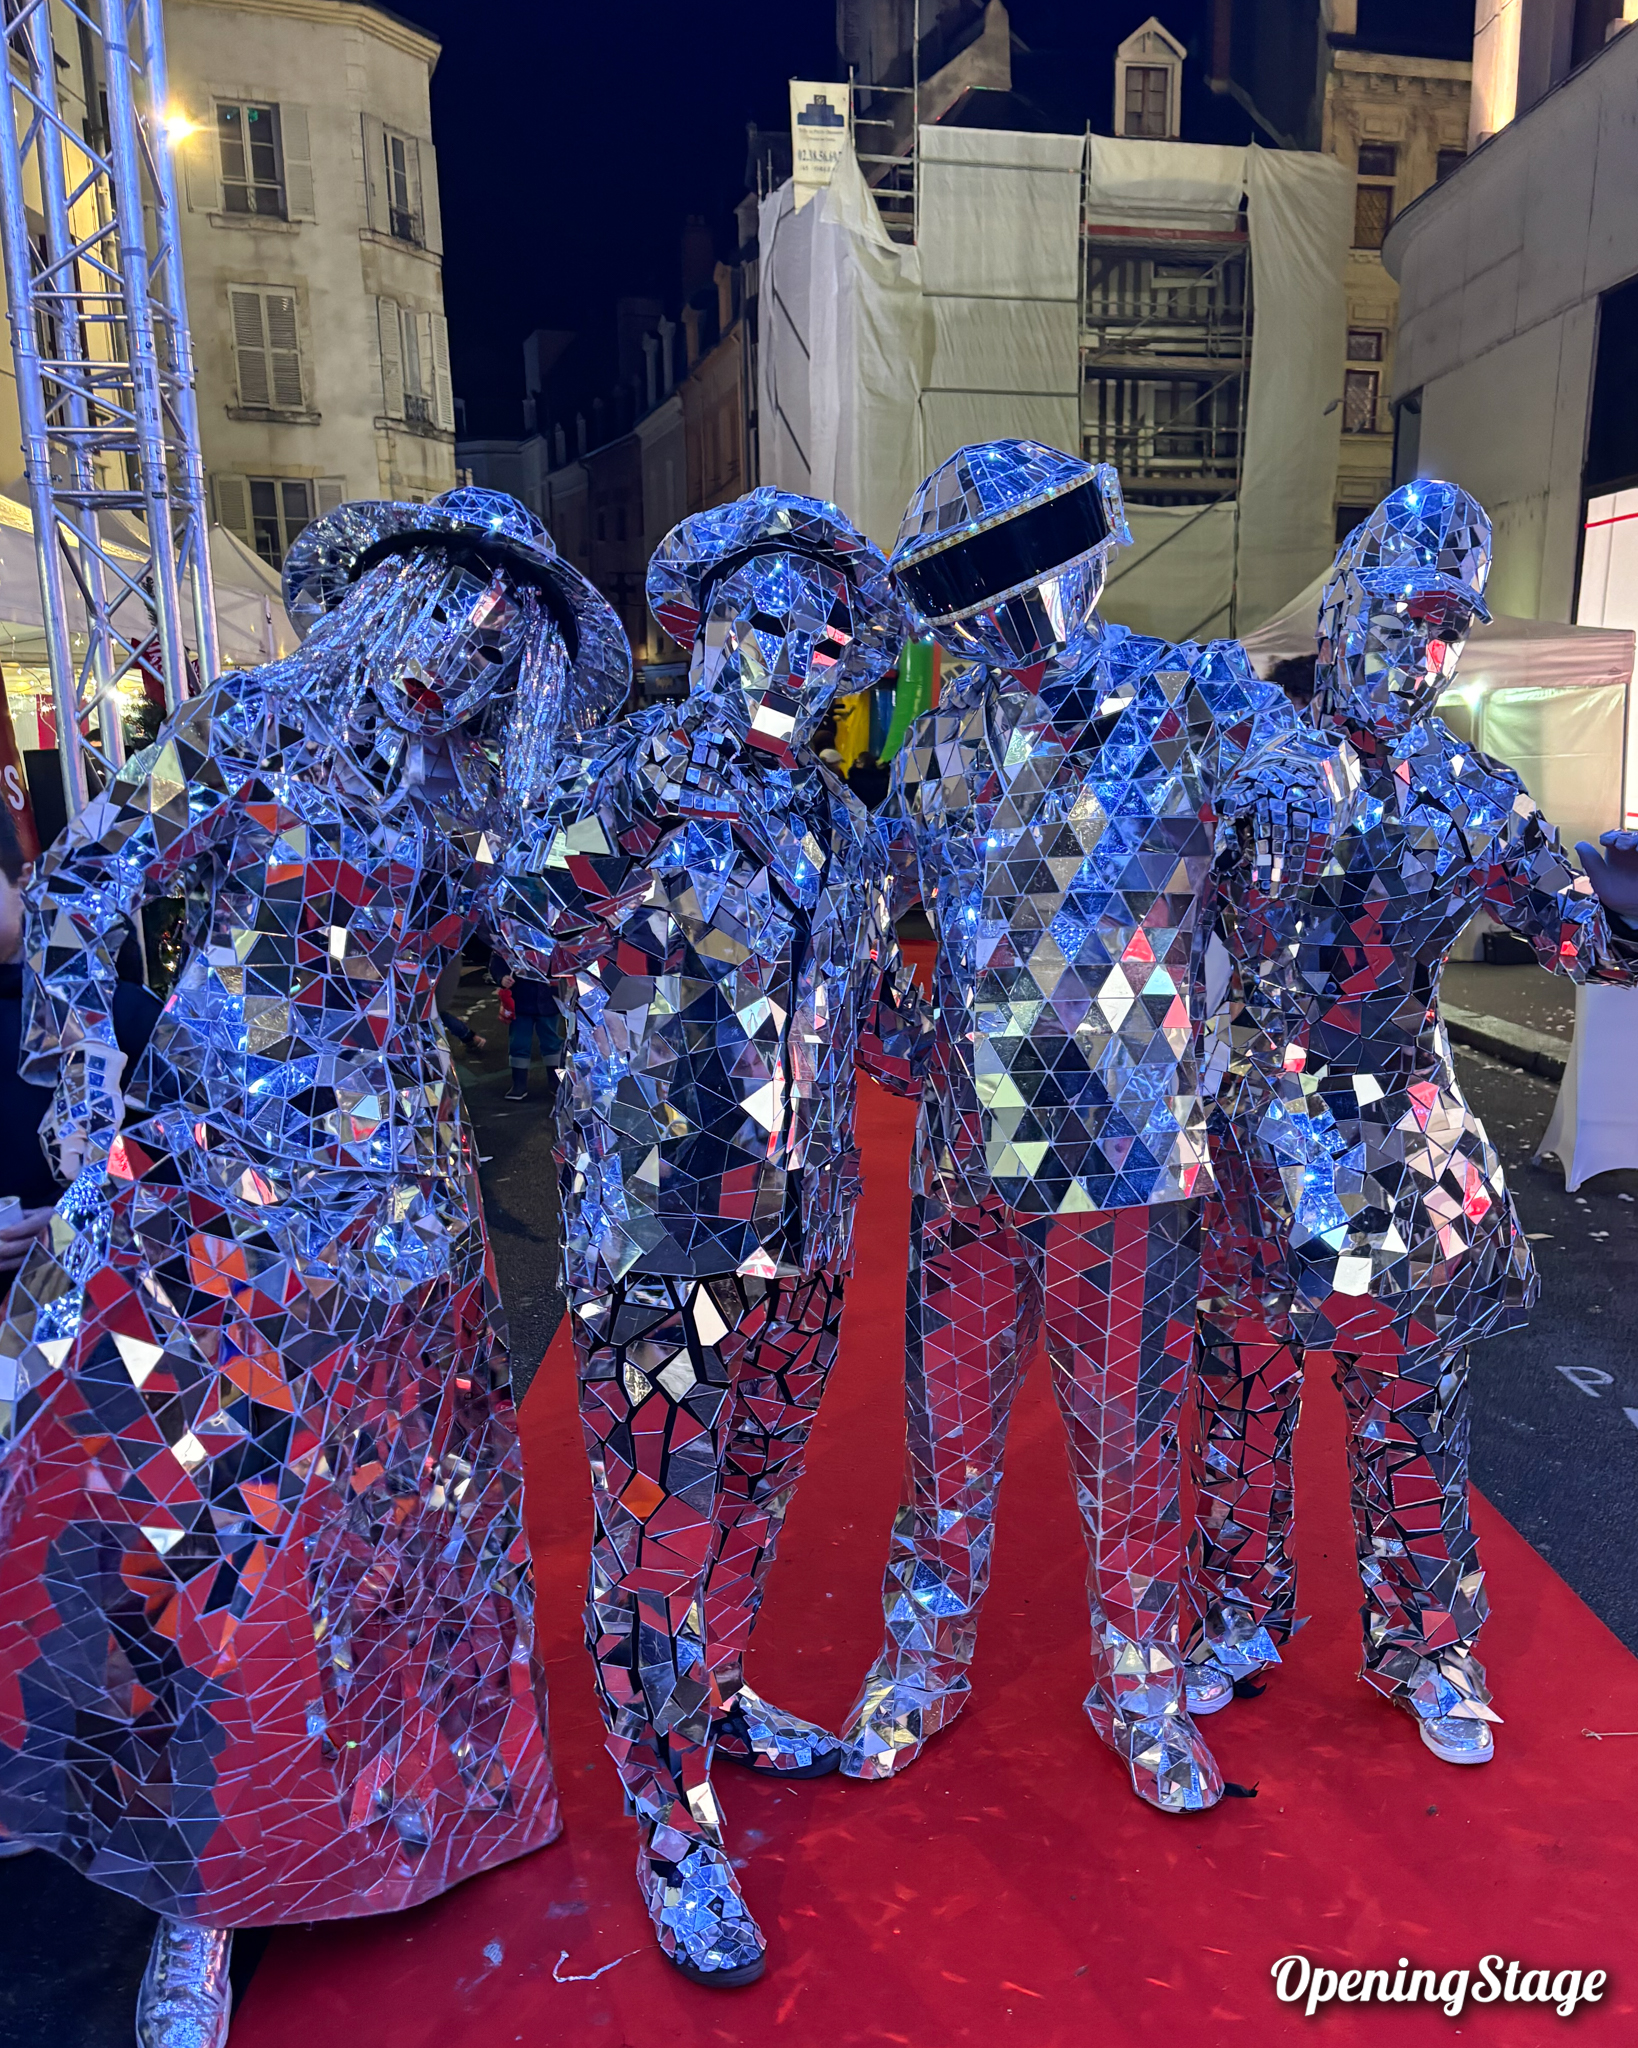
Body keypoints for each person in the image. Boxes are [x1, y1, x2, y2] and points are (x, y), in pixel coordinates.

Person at [0, 489, 629, 2048]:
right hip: (223, 1176)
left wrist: (575, 817)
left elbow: (552, 943)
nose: (475, 653)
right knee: (214, 1535)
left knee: (407, 1535)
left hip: (410, 1197)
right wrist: (81, 1103)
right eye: (459, 612)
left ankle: (405, 1819)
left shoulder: (475, 785)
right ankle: (193, 1914)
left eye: (511, 643)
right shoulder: (251, 722)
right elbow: (83, 890)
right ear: (394, 592)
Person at [496, 487, 929, 1987]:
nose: (796, 655)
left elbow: (879, 1026)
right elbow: (527, 934)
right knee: (654, 1542)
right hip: (657, 1241)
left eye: (826, 636)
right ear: (700, 622)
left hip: (807, 1230)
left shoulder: (845, 825)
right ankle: (670, 1819)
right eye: (766, 619)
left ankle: (719, 1700)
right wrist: (653, 793)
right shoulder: (620, 778)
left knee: (749, 1499)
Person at [839, 439, 1301, 1815]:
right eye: (970, 579)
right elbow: (872, 909)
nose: (1004, 607)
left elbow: (1296, 870)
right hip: (966, 1157)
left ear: (1089, 547)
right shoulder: (935, 736)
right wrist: (897, 1052)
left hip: (1119, 1154)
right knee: (945, 1434)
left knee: (1128, 1439)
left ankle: (1142, 1679)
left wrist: (1242, 1069)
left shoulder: (1181, 704)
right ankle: (924, 1659)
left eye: (1025, 563)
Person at [1188, 482, 1638, 1764]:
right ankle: (1238, 1612)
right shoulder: (1253, 764)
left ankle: (1428, 1644)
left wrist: (1624, 894)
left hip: (1400, 1147)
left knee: (1412, 1409)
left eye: (1450, 626)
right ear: (1342, 611)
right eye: (1399, 614)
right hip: (1250, 1143)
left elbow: (1585, 937)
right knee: (1239, 1395)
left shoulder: (1473, 798)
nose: (1422, 649)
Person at [0, 810, 57, 1284]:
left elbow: (190, 1170)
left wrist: (84, 1221)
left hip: (107, 1328)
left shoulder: (119, 1015)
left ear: (21, 878)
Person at [489, 953, 559, 1102]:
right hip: (524, 1001)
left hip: (546, 1000)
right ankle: (519, 1084)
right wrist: (501, 977)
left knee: (551, 1043)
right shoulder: (512, 939)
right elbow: (498, 959)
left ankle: (554, 1082)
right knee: (520, 1043)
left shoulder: (516, 936)